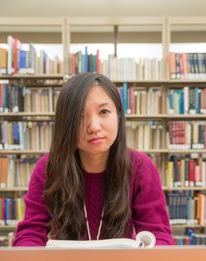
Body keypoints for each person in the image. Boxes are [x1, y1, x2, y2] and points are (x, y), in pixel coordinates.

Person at [13, 73, 174, 246]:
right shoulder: (49, 167)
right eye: (80, 116)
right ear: (66, 123)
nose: (94, 127)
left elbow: (159, 236)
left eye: (104, 112)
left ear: (119, 115)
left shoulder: (140, 167)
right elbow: (30, 233)